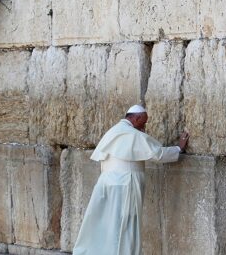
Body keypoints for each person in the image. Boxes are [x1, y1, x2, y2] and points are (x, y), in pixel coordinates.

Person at [72, 104, 190, 255]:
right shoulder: (131, 134)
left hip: (107, 183)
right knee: (127, 228)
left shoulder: (114, 131)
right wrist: (178, 148)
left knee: (108, 226)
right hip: (125, 185)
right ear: (137, 118)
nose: (144, 127)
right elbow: (157, 154)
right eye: (144, 122)